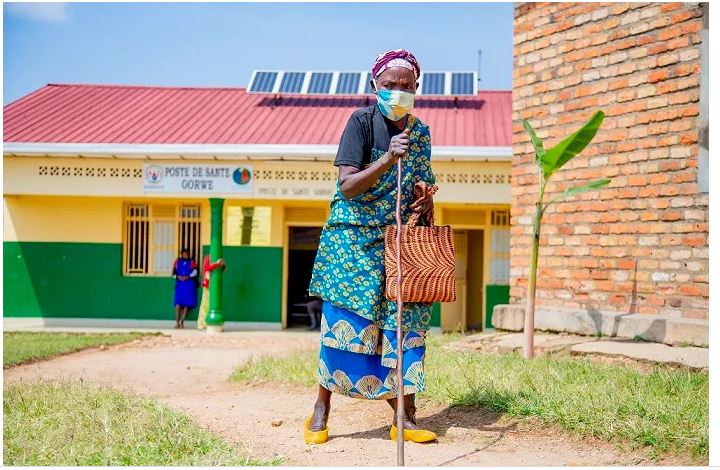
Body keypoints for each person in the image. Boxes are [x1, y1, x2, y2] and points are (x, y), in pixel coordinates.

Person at [305, 49, 437, 445]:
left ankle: (404, 415)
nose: (398, 91)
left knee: (404, 323)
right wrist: (387, 160)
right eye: (390, 85)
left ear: (416, 88)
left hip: (399, 241)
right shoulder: (360, 122)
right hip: (354, 241)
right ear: (374, 85)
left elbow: (421, 181)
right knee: (347, 322)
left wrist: (425, 200)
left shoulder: (421, 133)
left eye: (406, 86)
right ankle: (321, 407)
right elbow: (347, 185)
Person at [197, 255, 226, 330]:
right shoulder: (208, 257)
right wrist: (217, 264)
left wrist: (222, 265)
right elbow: (207, 268)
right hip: (208, 285)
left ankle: (215, 324)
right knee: (206, 304)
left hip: (215, 285)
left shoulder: (218, 258)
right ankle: (202, 324)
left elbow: (222, 270)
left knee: (215, 305)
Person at [172, 248, 198, 329]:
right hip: (180, 284)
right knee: (177, 304)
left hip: (189, 284)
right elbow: (173, 274)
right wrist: (178, 277)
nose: (185, 255)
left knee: (187, 304)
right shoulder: (177, 261)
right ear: (181, 254)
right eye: (184, 254)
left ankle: (182, 322)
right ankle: (177, 323)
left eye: (186, 254)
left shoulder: (192, 262)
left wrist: (188, 277)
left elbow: (195, 272)